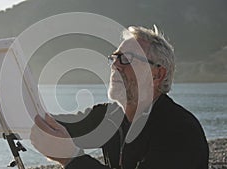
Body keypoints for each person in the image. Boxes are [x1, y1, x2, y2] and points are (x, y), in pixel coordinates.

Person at [30, 25, 209, 169]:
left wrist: (72, 159)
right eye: (114, 58)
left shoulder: (180, 131)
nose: (115, 65)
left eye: (127, 59)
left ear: (157, 75)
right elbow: (51, 125)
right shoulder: (110, 116)